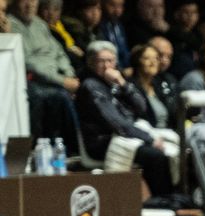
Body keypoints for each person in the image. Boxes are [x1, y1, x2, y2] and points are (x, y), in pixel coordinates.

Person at [76, 41, 172, 196]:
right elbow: (116, 123)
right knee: (155, 155)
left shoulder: (115, 82)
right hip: (102, 141)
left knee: (173, 149)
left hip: (123, 135)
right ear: (91, 63)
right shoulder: (91, 86)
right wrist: (148, 138)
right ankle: (163, 199)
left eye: (111, 61)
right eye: (102, 61)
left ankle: (169, 198)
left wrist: (122, 83)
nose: (107, 66)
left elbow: (141, 107)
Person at [8, 0, 80, 153]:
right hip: (33, 79)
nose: (30, 5)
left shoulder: (40, 24)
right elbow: (28, 63)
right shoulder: (10, 25)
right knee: (58, 96)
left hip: (56, 77)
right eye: (24, 2)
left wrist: (68, 74)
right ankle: (67, 149)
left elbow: (59, 51)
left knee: (82, 90)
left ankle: (71, 147)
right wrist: (62, 81)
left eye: (33, 1)